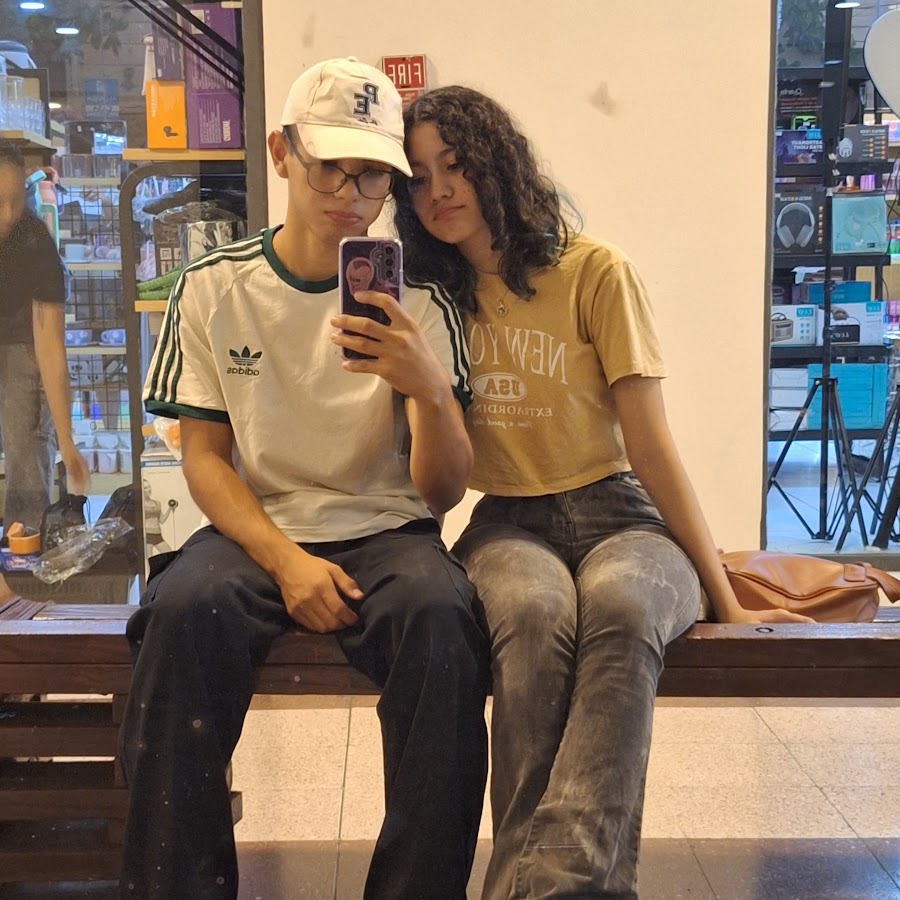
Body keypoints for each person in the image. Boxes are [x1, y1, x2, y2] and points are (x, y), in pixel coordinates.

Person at [393, 86, 814, 900]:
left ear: (496, 163)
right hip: (508, 522)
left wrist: (726, 597)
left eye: (455, 164)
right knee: (533, 612)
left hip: (622, 514)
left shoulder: (595, 272)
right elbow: (432, 470)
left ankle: (535, 885)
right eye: (417, 177)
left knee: (624, 606)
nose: (438, 189)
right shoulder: (431, 301)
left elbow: (652, 448)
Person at [117, 59, 489, 900]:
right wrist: (287, 563)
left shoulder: (422, 300)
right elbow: (205, 459)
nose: (351, 195)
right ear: (283, 154)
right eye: (331, 167)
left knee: (443, 622)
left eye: (373, 176)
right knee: (180, 613)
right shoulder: (212, 289)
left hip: (389, 528)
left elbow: (441, 494)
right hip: (257, 525)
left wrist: (428, 388)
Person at [0, 140, 90, 545]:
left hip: (21, 344)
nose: (7, 215)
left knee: (27, 442)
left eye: (15, 201)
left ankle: (24, 549)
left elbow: (50, 348)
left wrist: (67, 442)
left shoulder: (35, 244)